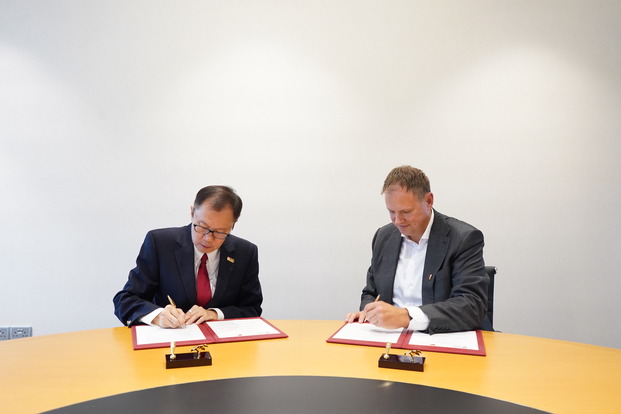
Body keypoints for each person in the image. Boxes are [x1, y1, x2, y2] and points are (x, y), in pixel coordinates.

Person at [345, 166, 490, 334]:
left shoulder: (463, 238)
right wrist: (368, 312)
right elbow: (371, 292)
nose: (398, 221)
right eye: (391, 212)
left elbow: (471, 305)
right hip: (389, 339)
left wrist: (407, 317)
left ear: (428, 201)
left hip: (442, 336)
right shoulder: (384, 237)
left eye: (406, 212)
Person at [113, 185, 262, 328]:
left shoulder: (245, 252)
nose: (208, 238)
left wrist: (215, 314)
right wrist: (158, 316)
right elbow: (125, 300)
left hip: (224, 344)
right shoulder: (160, 243)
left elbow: (252, 308)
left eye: (220, 232)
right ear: (192, 213)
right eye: (202, 227)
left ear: (233, 225)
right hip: (171, 342)